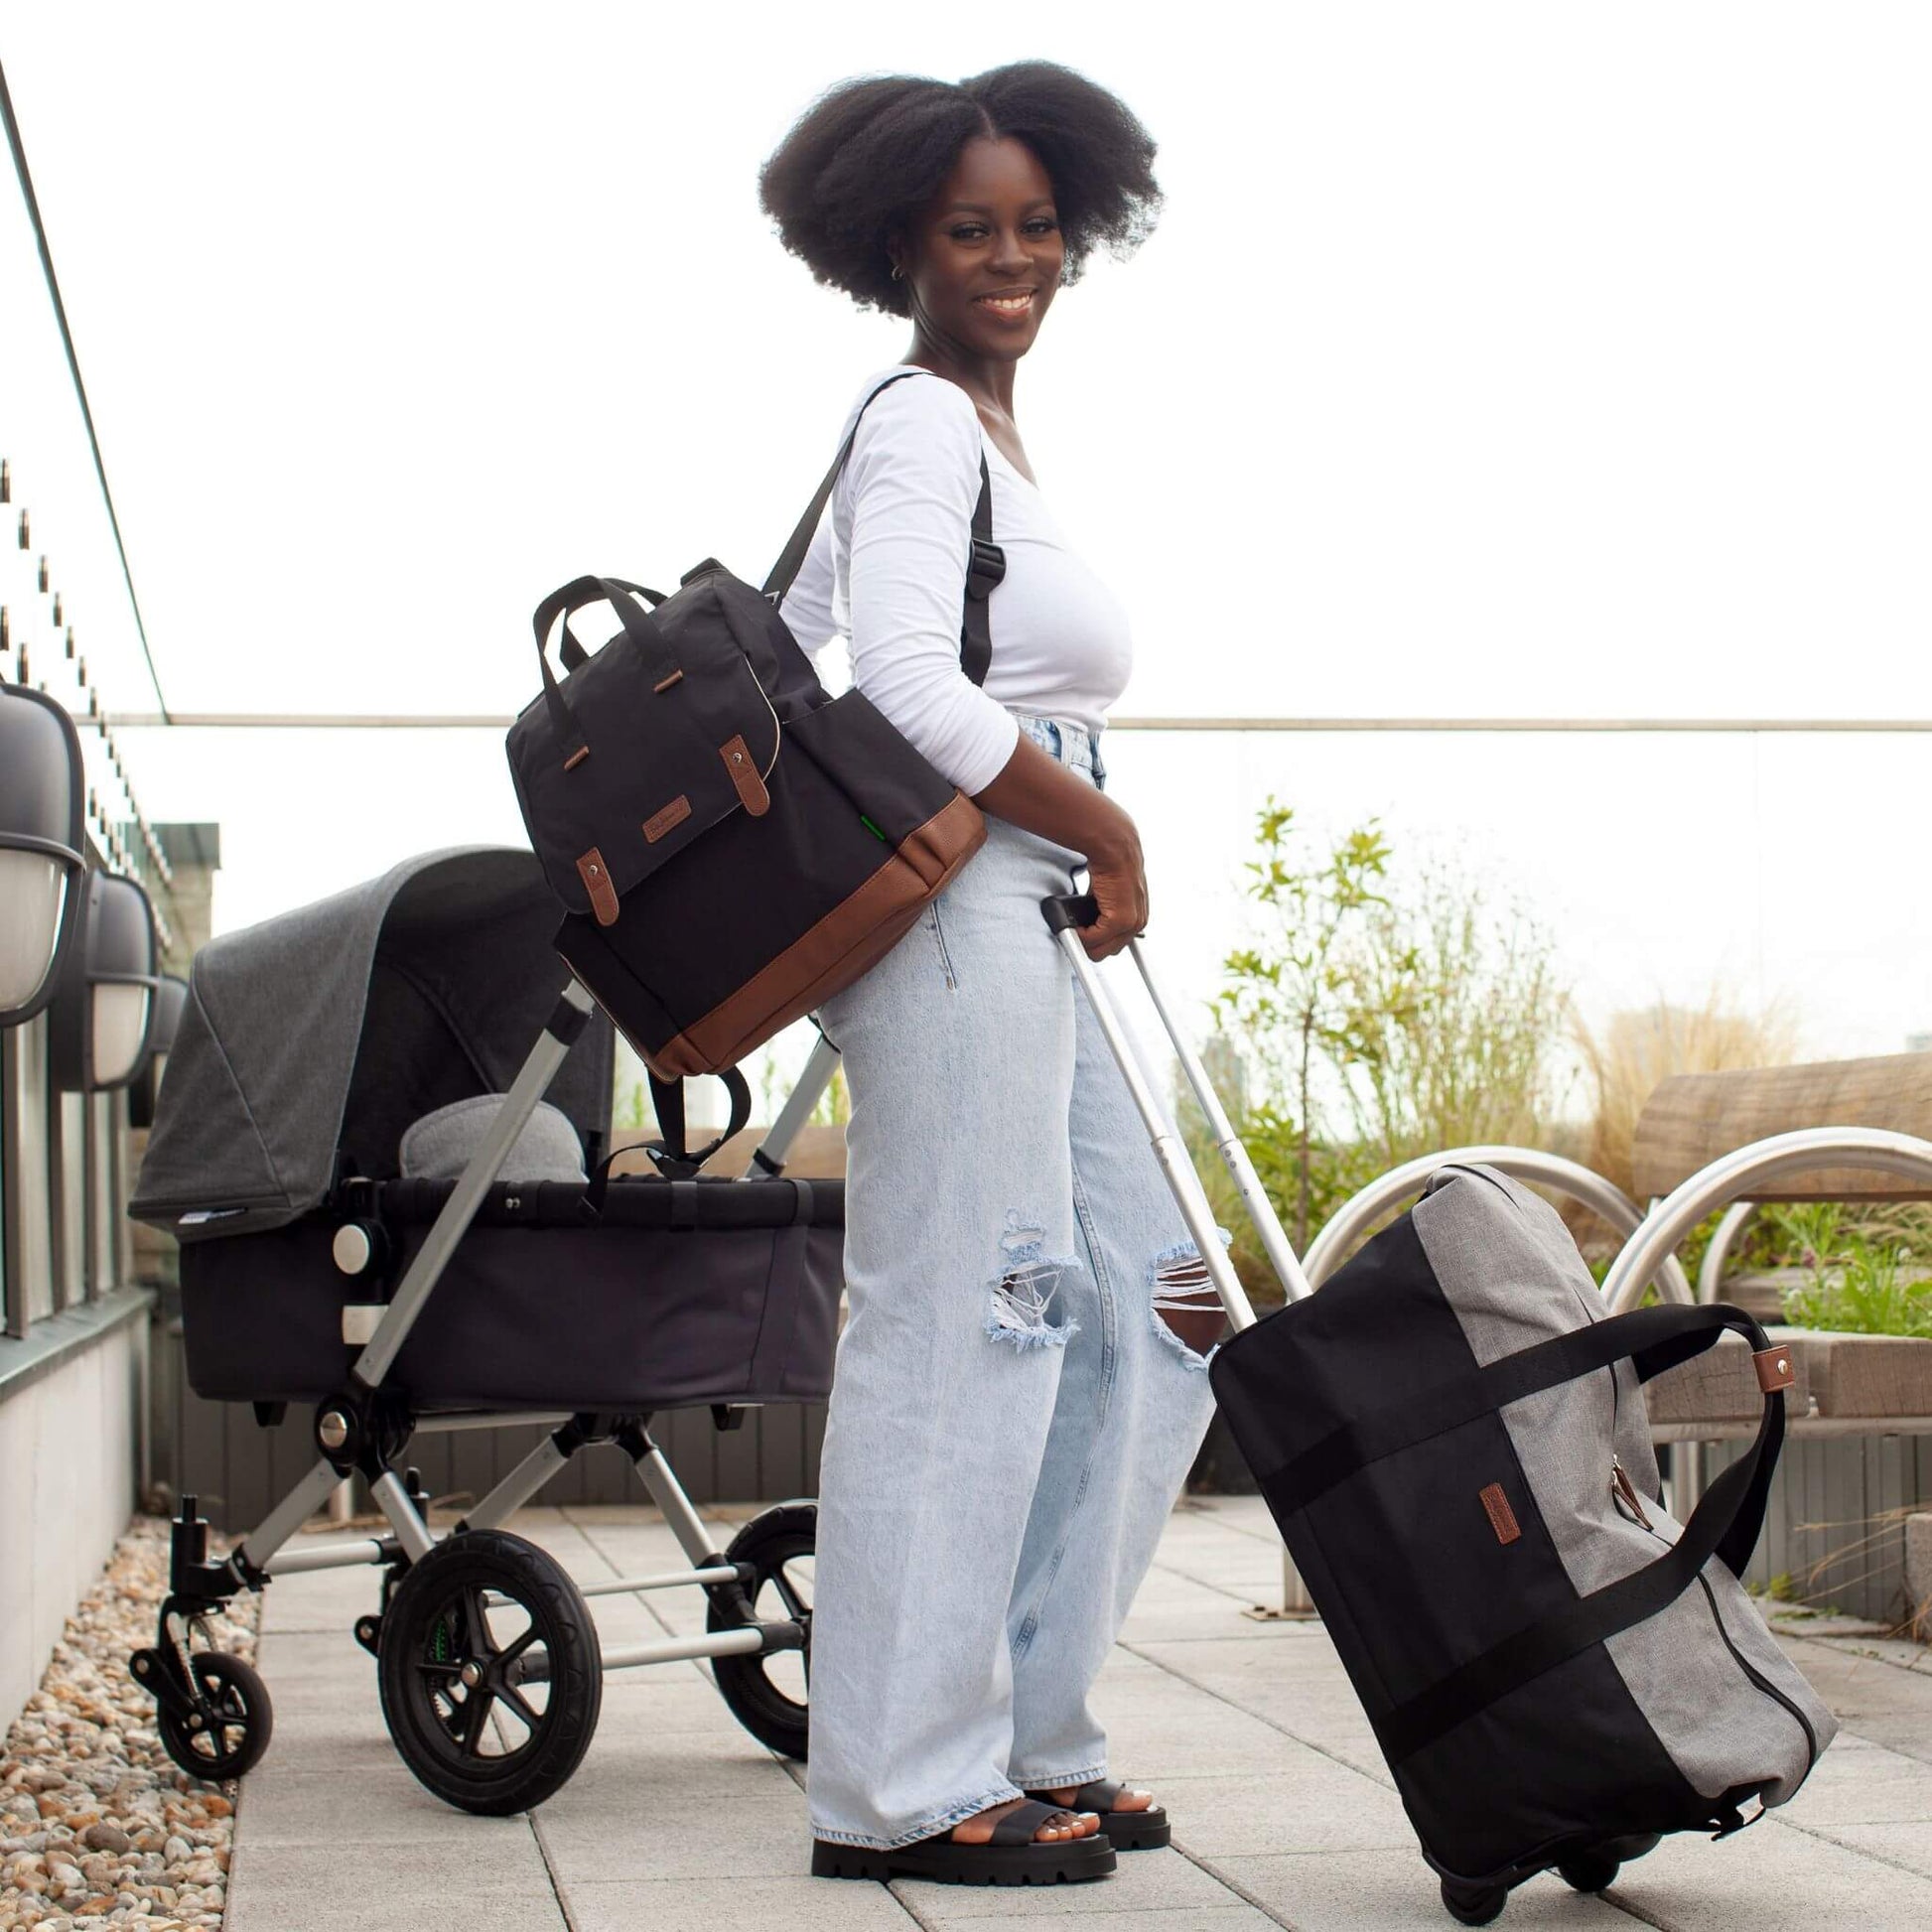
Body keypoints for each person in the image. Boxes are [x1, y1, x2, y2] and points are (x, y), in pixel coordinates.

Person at [759, 60, 1226, 1887]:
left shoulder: (994, 437)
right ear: (902, 244)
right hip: (953, 897)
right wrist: (1101, 833)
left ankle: (1030, 1721)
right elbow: (900, 690)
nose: (1013, 257)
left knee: (1155, 1300)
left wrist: (1083, 838)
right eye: (973, 230)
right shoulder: (914, 424)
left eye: (1038, 225)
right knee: (970, 1309)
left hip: (1026, 889)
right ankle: (896, 1781)